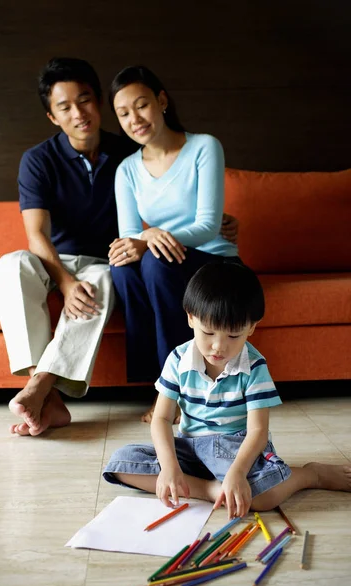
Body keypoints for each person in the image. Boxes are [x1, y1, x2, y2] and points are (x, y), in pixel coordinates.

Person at [0, 57, 239, 436]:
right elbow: (38, 236)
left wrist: (214, 221)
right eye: (65, 106)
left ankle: (55, 390)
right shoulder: (41, 160)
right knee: (11, 266)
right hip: (56, 259)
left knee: (110, 274)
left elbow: (181, 206)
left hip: (105, 260)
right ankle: (44, 389)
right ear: (52, 117)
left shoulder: (128, 149)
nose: (79, 113)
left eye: (85, 100)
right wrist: (64, 280)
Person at [103, 262, 351, 516]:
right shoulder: (178, 359)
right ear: (190, 317)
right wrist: (169, 467)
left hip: (235, 451)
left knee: (264, 498)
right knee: (120, 462)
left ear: (251, 327)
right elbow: (162, 418)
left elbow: (258, 431)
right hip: (189, 448)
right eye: (208, 332)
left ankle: (310, 475)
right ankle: (212, 490)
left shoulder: (254, 367)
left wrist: (237, 473)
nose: (218, 347)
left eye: (233, 336)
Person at [107, 65, 241, 423]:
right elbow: (129, 236)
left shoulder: (204, 147)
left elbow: (209, 225)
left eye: (141, 105)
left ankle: (177, 393)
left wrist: (150, 240)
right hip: (166, 263)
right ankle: (158, 383)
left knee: (154, 261)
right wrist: (143, 239)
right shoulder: (126, 170)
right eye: (123, 113)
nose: (134, 119)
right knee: (121, 268)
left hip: (215, 261)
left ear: (161, 101)